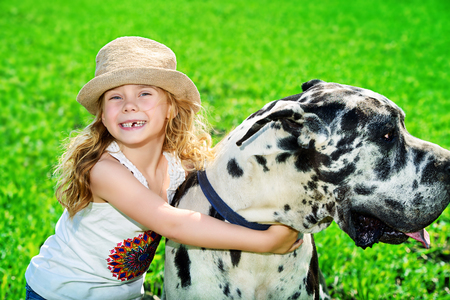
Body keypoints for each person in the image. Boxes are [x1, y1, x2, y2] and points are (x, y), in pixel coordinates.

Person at [24, 36, 302, 300]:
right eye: (115, 98)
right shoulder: (105, 170)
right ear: (103, 117)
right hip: (59, 292)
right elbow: (172, 223)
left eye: (144, 94)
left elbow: (225, 179)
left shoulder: (178, 163)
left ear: (171, 108)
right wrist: (265, 243)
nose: (129, 106)